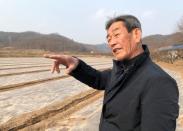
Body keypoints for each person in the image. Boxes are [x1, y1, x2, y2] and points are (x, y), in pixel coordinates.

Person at [44, 15, 179, 131]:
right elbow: (98, 79)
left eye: (116, 35)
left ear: (136, 35)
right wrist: (75, 64)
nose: (112, 42)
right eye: (108, 38)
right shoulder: (120, 69)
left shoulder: (158, 82)